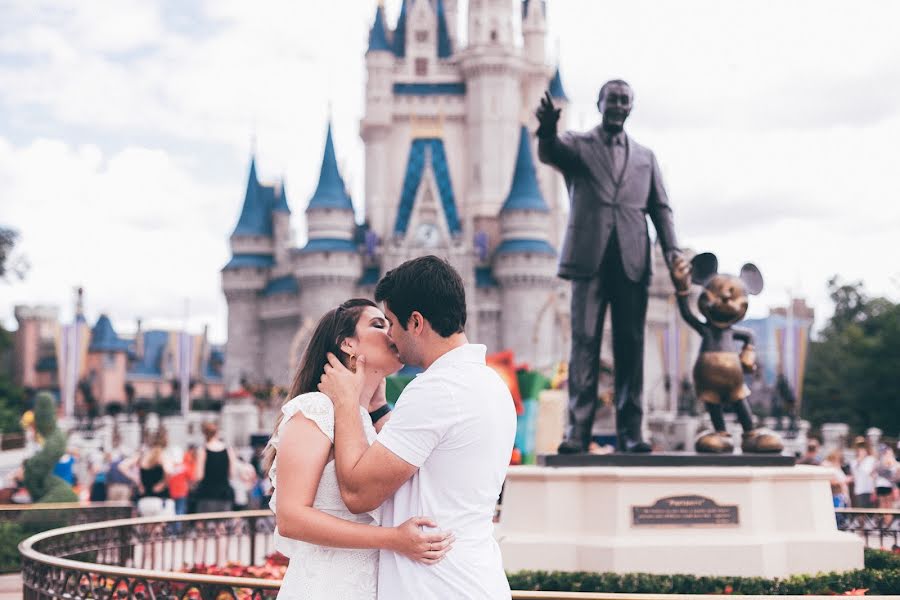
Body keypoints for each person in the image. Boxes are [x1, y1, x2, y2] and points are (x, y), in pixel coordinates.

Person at [319, 257, 517, 599]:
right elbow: (426, 454)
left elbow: (357, 493)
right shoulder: (489, 383)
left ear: (416, 322)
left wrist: (345, 401)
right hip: (475, 578)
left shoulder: (437, 389)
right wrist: (380, 408)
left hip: (437, 587)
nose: (391, 336)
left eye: (392, 323)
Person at [264, 298, 454, 600]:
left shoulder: (366, 421)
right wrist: (392, 539)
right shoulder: (316, 409)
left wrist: (377, 406)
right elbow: (290, 518)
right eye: (378, 324)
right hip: (326, 588)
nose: (391, 331)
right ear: (348, 344)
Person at [535, 81, 684, 454]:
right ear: (599, 103)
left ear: (631, 107)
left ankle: (632, 433)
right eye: (612, 99)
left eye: (624, 100)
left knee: (630, 347)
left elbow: (661, 210)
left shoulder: (646, 158)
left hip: (633, 261)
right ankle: (577, 432)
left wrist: (673, 253)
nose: (618, 106)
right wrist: (548, 128)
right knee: (584, 343)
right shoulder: (579, 146)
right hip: (589, 260)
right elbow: (550, 153)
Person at [193, 422, 237, 513]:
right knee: (223, 526)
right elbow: (232, 474)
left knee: (208, 525)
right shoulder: (228, 450)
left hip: (207, 494)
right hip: (224, 494)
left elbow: (199, 476)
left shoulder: (203, 450)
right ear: (217, 433)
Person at [135, 430, 175, 517]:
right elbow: (169, 471)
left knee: (148, 529)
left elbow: (124, 467)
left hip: (144, 501)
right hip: (161, 500)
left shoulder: (143, 456)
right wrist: (163, 484)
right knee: (161, 529)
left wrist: (138, 483)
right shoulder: (164, 455)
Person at [850, 437, 877, 508]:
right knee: (860, 512)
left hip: (869, 489)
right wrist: (859, 461)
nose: (861, 449)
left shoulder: (871, 459)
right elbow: (854, 474)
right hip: (859, 490)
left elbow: (869, 473)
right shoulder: (854, 462)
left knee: (870, 511)